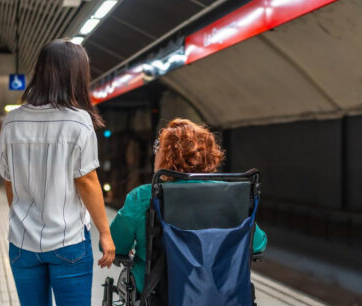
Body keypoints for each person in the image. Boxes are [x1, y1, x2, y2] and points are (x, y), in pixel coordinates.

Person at [0, 39, 115, 306]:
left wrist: (27, 219)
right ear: (75, 75)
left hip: (24, 243)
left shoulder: (12, 124)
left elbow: (10, 186)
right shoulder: (79, 123)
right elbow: (86, 183)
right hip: (68, 241)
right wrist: (104, 231)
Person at [109, 118, 268, 293]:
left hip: (159, 292)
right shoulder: (229, 195)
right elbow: (257, 244)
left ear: (166, 156)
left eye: (158, 148)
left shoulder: (144, 196)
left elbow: (115, 243)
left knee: (127, 281)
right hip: (219, 291)